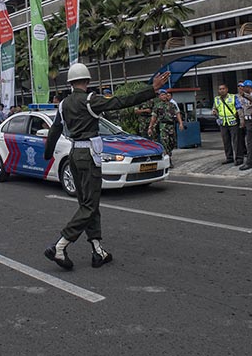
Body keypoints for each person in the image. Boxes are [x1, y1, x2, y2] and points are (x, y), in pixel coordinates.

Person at [43, 63, 171, 270]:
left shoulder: (63, 104)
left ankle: (97, 250)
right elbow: (121, 102)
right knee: (90, 205)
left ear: (70, 82)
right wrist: (152, 89)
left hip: (74, 154)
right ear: (87, 81)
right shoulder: (90, 100)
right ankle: (60, 245)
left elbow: (54, 131)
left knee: (87, 203)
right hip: (89, 155)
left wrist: (48, 154)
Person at [148, 90, 184, 164]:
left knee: (172, 142)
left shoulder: (172, 105)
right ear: (159, 97)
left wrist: (181, 123)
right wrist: (150, 127)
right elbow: (153, 117)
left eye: (165, 95)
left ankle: (168, 153)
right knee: (165, 142)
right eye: (162, 95)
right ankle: (168, 159)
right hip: (163, 126)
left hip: (171, 125)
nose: (164, 96)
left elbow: (177, 114)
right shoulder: (157, 106)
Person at [212, 84, 242, 165]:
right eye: (220, 89)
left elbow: (239, 109)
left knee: (236, 141)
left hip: (233, 122)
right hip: (223, 123)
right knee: (226, 141)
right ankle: (229, 157)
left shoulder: (233, 97)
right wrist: (214, 112)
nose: (221, 90)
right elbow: (214, 108)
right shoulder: (217, 99)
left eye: (223, 89)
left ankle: (239, 158)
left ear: (227, 89)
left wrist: (242, 120)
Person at [237, 79, 252, 171]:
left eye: (244, 87)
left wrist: (243, 94)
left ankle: (250, 162)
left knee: (251, 142)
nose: (242, 89)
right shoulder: (245, 97)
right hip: (248, 120)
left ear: (249, 87)